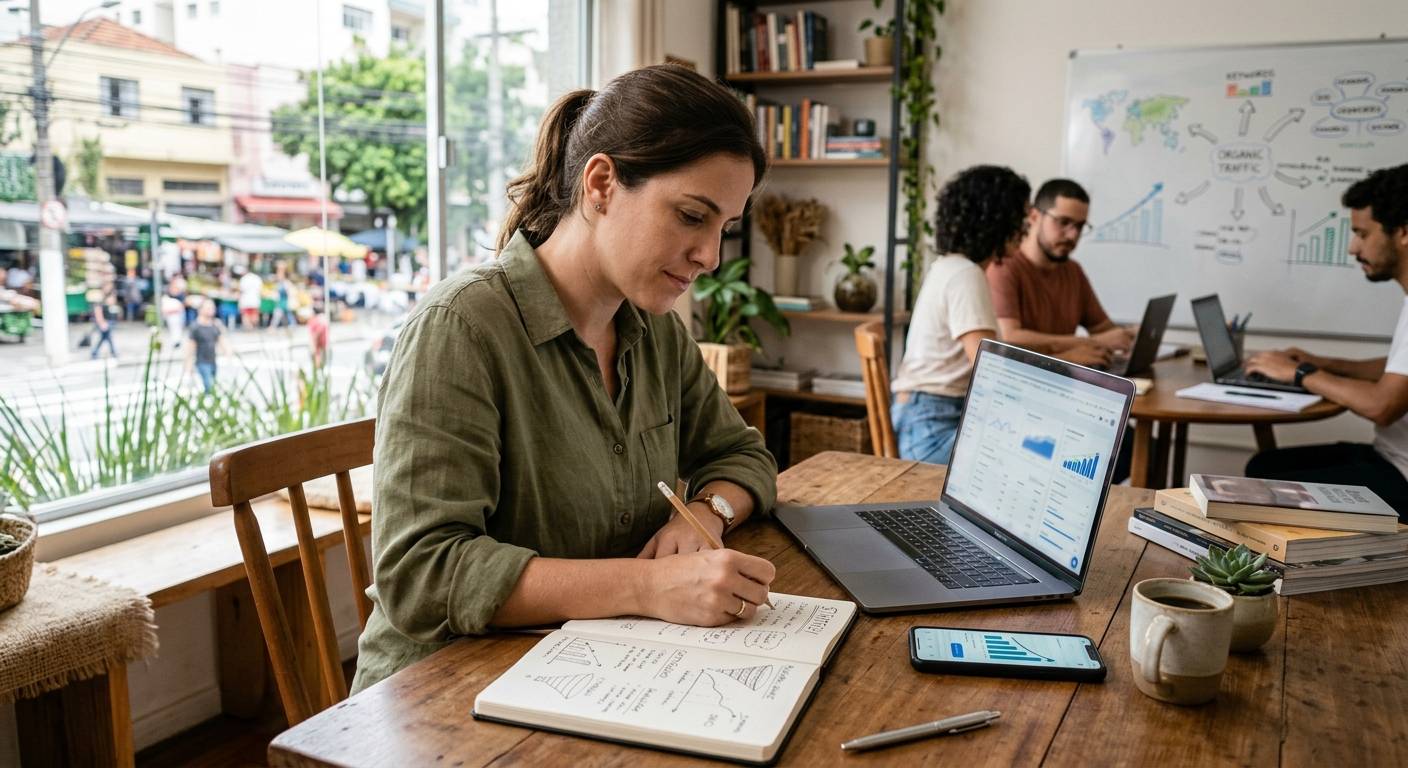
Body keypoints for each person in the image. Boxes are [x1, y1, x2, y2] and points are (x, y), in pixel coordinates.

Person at [350, 65, 778, 694]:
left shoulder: (655, 330)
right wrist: (647, 586)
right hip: (441, 693)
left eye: (724, 229)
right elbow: (422, 574)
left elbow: (742, 453)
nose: (710, 256)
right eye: (692, 216)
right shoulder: (461, 328)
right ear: (601, 184)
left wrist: (705, 515)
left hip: (593, 667)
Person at [1244, 163, 1408, 520]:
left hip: (1402, 479)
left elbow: (1382, 405)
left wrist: (1300, 373)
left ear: (1403, 232)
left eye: (1362, 234)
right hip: (1390, 458)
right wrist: (1325, 363)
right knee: (1264, 465)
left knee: (1262, 480)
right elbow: (1397, 371)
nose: (1352, 248)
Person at [890, 165, 1030, 464]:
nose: (1025, 230)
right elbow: (990, 370)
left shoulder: (950, 266)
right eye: (1020, 219)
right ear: (996, 220)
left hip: (924, 416)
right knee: (1036, 457)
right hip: (931, 427)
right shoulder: (966, 275)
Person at [985, 179, 1133, 368]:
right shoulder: (1003, 267)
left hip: (1066, 379)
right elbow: (1009, 337)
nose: (1073, 235)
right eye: (1063, 222)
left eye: (1080, 226)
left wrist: (1128, 334)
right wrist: (1092, 343)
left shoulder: (1073, 270)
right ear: (1034, 217)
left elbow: (1104, 330)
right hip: (1024, 381)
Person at [185, 298, 231, 393]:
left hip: (213, 361)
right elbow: (190, 349)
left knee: (213, 385)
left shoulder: (215, 325)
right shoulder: (195, 327)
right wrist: (188, 370)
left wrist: (228, 354)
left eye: (212, 308)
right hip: (201, 362)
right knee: (209, 386)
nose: (212, 310)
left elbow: (222, 340)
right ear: (200, 310)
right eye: (208, 308)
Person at [89, 291, 118, 359]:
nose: (113, 300)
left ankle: (95, 352)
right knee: (107, 338)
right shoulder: (101, 305)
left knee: (105, 338)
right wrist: (102, 323)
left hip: (108, 324)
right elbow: (99, 315)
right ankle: (112, 352)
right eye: (112, 298)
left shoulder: (109, 306)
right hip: (104, 324)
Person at [161, 277, 187, 348]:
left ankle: (177, 341)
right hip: (170, 315)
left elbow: (183, 305)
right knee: (173, 328)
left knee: (178, 328)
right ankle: (175, 341)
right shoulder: (167, 294)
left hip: (178, 314)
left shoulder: (181, 295)